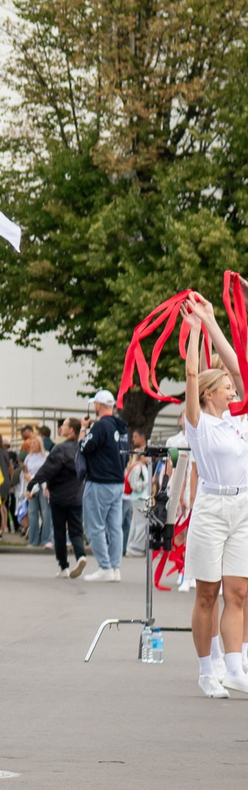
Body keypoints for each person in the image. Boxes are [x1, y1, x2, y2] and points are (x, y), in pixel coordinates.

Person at [176, 296, 248, 697]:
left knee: (238, 591)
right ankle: (207, 671)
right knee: (208, 593)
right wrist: (195, 332)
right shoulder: (198, 423)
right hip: (211, 508)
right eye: (225, 387)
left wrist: (211, 318)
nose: (233, 389)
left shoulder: (238, 421)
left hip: (242, 506)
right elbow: (191, 373)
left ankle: (235, 667)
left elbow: (237, 364)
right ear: (208, 394)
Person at [81, 391, 131, 580]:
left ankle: (105, 566)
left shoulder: (100, 426)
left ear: (98, 406)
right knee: (114, 527)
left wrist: (84, 429)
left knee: (95, 526)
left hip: (100, 480)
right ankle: (115, 567)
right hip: (118, 481)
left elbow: (84, 447)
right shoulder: (122, 427)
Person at [31, 417, 87, 577]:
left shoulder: (59, 449)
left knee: (60, 531)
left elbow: (49, 468)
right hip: (76, 493)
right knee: (76, 530)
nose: (61, 427)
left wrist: (39, 482)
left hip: (59, 495)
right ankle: (81, 555)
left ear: (71, 430)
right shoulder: (81, 448)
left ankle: (64, 566)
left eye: (64, 425)